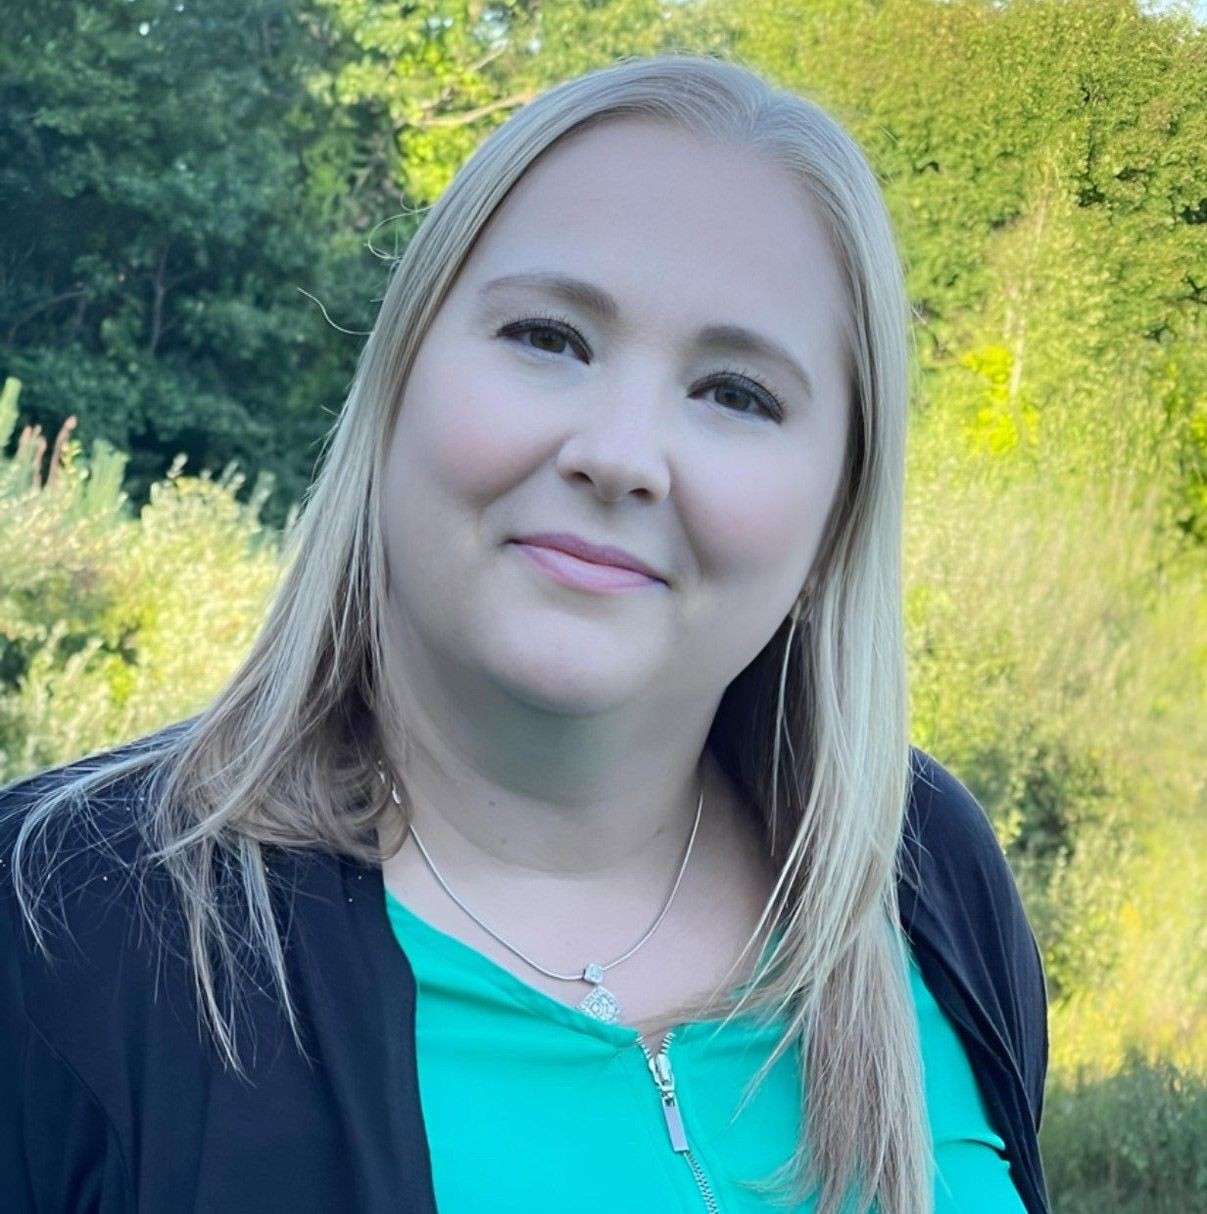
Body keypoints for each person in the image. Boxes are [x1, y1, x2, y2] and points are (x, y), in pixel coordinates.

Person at [0, 54, 1049, 1214]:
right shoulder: (53, 929)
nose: (620, 452)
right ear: (396, 382)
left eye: (737, 393)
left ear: (835, 522)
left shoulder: (923, 868)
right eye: (550, 336)